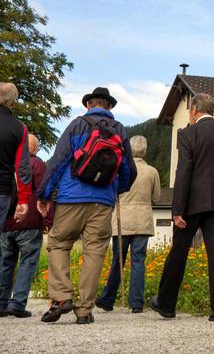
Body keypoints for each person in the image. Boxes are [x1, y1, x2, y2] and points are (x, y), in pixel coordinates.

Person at [37, 86, 137, 324]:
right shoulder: (120, 130)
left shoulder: (77, 125)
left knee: (59, 243)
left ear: (89, 104)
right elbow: (129, 171)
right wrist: (114, 189)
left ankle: (61, 298)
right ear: (109, 106)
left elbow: (58, 161)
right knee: (94, 252)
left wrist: (44, 195)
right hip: (102, 202)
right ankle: (84, 310)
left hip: (71, 198)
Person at [151, 93, 214, 322]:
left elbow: (184, 173)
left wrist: (177, 209)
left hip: (192, 205)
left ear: (193, 110)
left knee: (179, 252)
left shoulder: (188, 134)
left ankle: (166, 304)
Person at [96, 135, 161, 313]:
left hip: (122, 220)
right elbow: (156, 198)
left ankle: (107, 299)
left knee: (118, 260)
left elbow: (112, 191)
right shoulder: (152, 171)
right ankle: (137, 304)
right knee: (138, 261)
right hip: (143, 221)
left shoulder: (120, 168)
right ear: (145, 151)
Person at [0, 133, 52, 318]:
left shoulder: (7, 164)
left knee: (5, 262)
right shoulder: (37, 164)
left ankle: (1, 303)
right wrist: (48, 221)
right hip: (29, 221)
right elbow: (44, 193)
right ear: (35, 148)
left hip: (6, 221)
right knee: (28, 262)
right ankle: (17, 303)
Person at [0, 83, 31, 240]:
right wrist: (23, 199)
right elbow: (22, 168)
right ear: (12, 102)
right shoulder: (19, 128)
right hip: (2, 191)